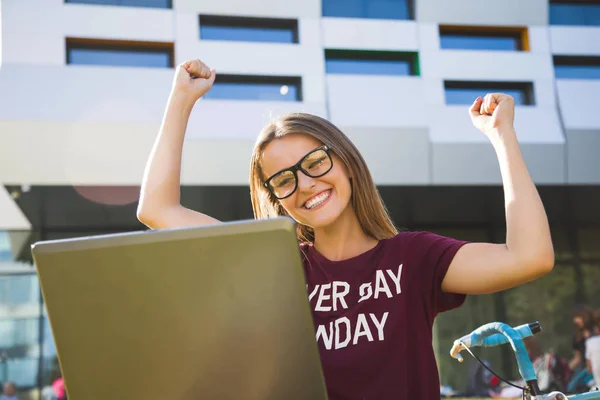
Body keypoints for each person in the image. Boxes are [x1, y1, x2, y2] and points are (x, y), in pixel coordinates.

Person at [137, 59, 555, 399]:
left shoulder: (412, 257)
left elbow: (529, 257)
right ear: (275, 196)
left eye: (315, 163)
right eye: (283, 180)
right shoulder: (278, 266)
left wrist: (502, 137)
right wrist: (181, 99)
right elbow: (156, 208)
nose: (305, 185)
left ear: (346, 162)